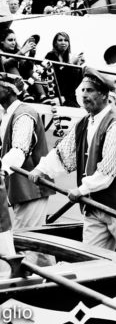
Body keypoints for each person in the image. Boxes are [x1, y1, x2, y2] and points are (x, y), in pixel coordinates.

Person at [29, 67, 116, 254]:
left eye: (90, 90)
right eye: (83, 90)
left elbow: (108, 170)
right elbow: (62, 153)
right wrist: (41, 169)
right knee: (90, 259)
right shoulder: (84, 123)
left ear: (104, 95)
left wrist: (82, 189)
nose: (84, 95)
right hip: (93, 207)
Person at [0, 73, 54, 228]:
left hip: (31, 188)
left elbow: (19, 150)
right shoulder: (6, 114)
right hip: (18, 188)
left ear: (9, 89)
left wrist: (1, 171)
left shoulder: (24, 114)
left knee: (28, 239)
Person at [0, 28, 50, 104]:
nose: (13, 42)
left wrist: (31, 54)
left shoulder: (16, 50)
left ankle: (42, 96)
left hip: (17, 82)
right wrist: (21, 52)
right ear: (2, 41)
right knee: (11, 67)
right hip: (4, 82)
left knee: (29, 70)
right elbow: (4, 63)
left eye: (14, 40)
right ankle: (24, 93)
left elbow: (26, 67)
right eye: (10, 40)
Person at [45, 32, 84, 107]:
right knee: (73, 68)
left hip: (68, 95)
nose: (63, 42)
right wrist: (70, 63)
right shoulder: (50, 55)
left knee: (80, 70)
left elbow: (72, 81)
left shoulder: (66, 58)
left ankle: (68, 98)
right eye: (60, 40)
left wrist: (78, 65)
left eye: (66, 40)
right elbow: (56, 76)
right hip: (55, 90)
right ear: (55, 43)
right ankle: (66, 98)